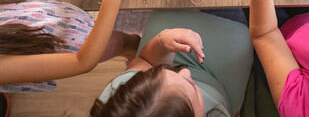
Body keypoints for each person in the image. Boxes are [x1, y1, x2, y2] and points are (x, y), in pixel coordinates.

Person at [0, 0, 140, 92]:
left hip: (79, 24)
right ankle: (138, 62)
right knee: (128, 42)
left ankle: (134, 56)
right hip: (88, 46)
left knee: (128, 42)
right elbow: (82, 62)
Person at [90, 10, 253, 117]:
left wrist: (162, 42)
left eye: (156, 74)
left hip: (206, 74)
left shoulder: (126, 101)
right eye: (193, 91)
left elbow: (145, 61)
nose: (185, 72)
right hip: (225, 95)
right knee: (243, 40)